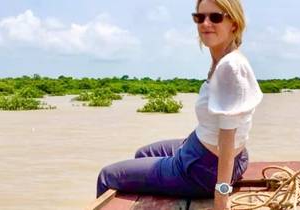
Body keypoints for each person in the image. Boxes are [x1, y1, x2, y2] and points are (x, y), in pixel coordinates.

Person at [96, 0, 263, 209]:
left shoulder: (230, 66)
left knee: (107, 175)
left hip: (202, 168)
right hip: (216, 153)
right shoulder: (223, 59)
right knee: (143, 153)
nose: (205, 23)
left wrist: (221, 193)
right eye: (199, 17)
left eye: (216, 17)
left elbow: (228, 133)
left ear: (234, 24)